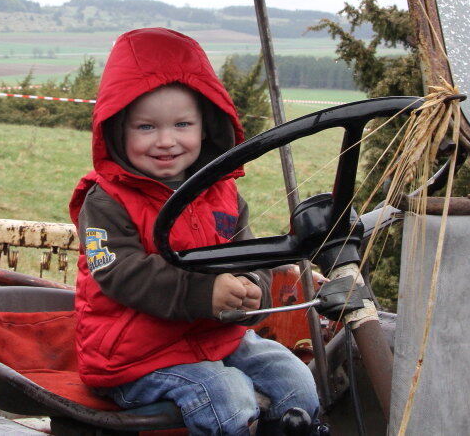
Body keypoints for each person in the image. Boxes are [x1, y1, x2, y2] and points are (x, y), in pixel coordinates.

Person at [69, 27, 321, 435]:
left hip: (216, 337)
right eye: (146, 127)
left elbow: (247, 252)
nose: (166, 141)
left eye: (182, 124)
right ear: (117, 130)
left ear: (206, 127)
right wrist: (206, 293)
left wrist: (251, 284)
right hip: (136, 356)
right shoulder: (105, 201)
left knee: (296, 382)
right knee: (229, 398)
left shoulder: (222, 191)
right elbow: (119, 272)